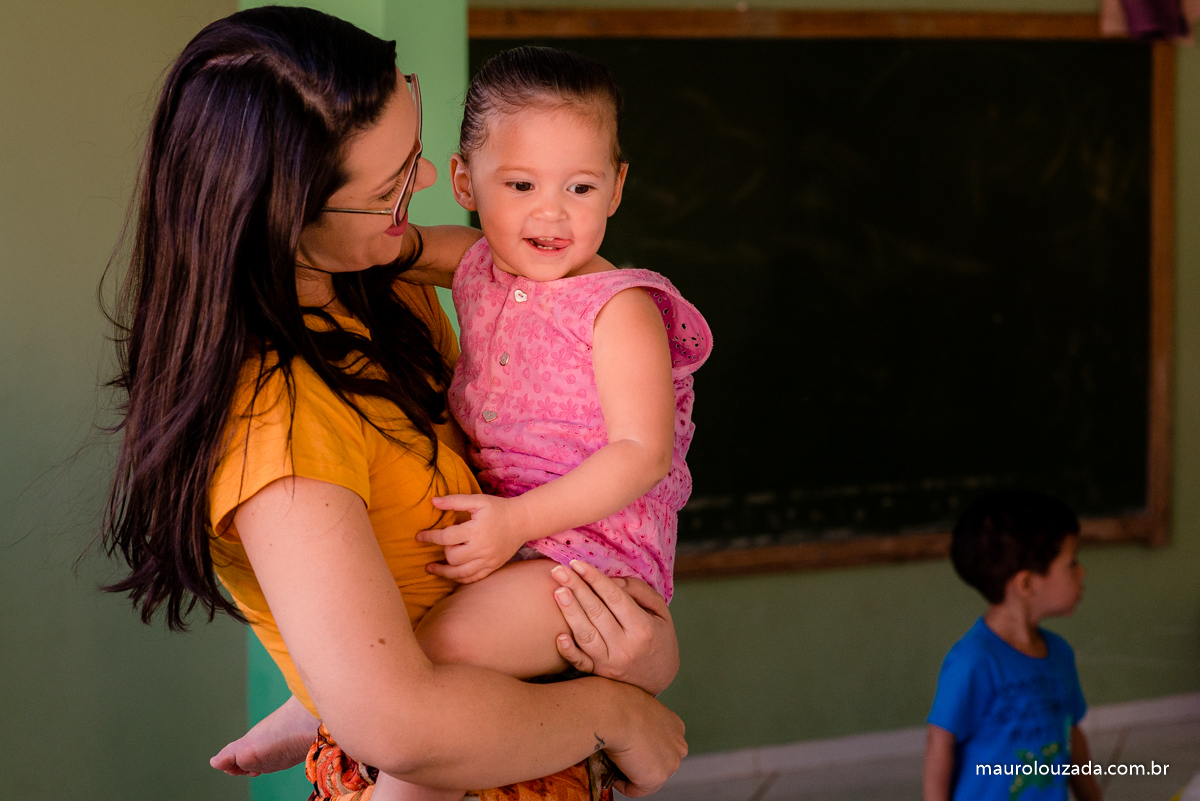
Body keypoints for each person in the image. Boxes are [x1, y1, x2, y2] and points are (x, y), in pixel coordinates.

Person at [100, 7, 686, 801]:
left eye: (412, 155)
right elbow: (397, 725)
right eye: (390, 187)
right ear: (284, 213)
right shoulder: (278, 416)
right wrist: (617, 712)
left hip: (548, 719)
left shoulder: (385, 302)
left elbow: (606, 509)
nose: (421, 187)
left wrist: (645, 654)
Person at [923, 491, 1102, 801]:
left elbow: (1071, 735)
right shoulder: (973, 661)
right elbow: (940, 744)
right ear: (1027, 584)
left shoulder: (1059, 654)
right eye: (1071, 563)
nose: (1082, 572)